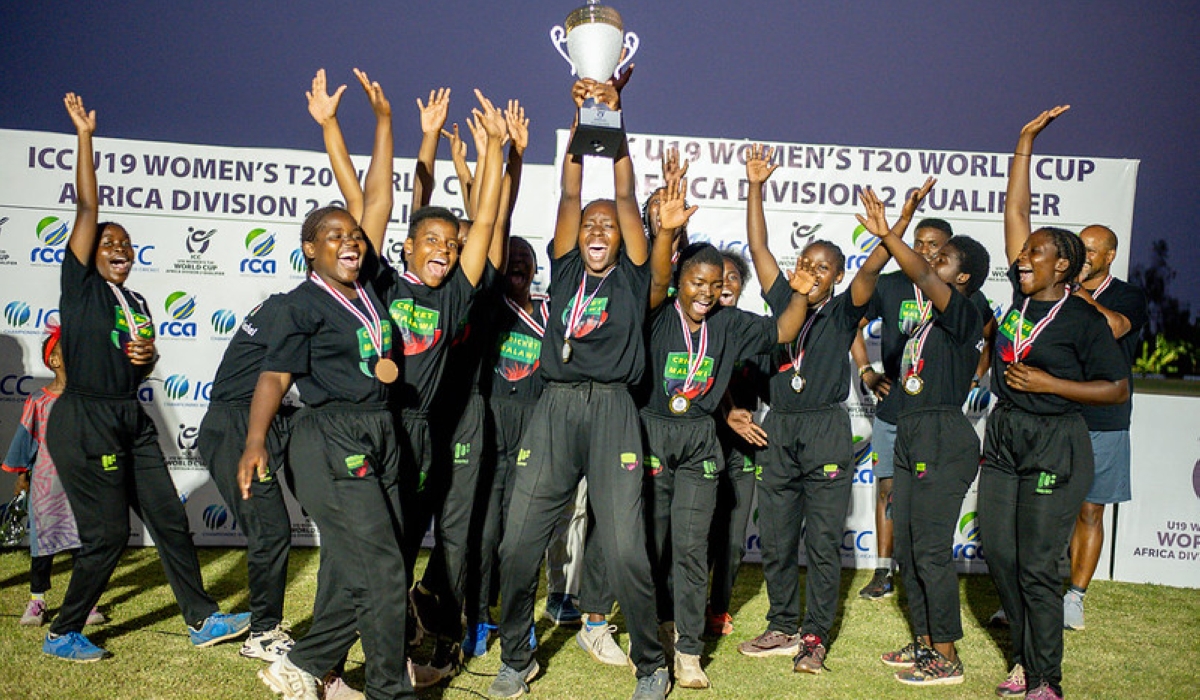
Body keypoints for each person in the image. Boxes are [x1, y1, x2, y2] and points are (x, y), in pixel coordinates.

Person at [43, 93, 249, 663]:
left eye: (126, 247)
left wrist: (147, 356)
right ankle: (63, 630)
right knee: (108, 537)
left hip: (129, 417)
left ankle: (203, 619)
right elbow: (88, 209)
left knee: (168, 519)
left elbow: (142, 361)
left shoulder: (133, 299)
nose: (119, 251)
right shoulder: (80, 285)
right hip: (84, 418)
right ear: (88, 254)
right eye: (109, 244)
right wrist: (85, 137)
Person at [488, 72, 671, 700]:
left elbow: (622, 193)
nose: (597, 231)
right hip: (555, 407)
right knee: (516, 547)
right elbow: (572, 189)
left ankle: (652, 663)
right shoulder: (565, 267)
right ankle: (518, 655)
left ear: (623, 236)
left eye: (609, 227)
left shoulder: (633, 276)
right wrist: (577, 120)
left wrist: (613, 118)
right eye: (590, 226)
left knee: (625, 551)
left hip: (616, 411)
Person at [642, 173, 814, 689]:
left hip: (699, 440)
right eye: (698, 283)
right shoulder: (656, 313)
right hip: (652, 432)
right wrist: (666, 236)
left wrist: (800, 294)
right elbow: (653, 275)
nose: (707, 293)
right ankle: (656, 631)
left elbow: (783, 330)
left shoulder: (731, 324)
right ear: (681, 282)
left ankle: (690, 651)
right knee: (651, 544)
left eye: (716, 286)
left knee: (694, 548)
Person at [981, 105, 1128, 700]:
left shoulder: (1084, 321)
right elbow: (1016, 212)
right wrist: (1023, 142)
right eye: (1023, 253)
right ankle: (1021, 656)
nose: (1022, 258)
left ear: (1061, 265)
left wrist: (1053, 385)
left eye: (1034, 254)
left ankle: (1045, 679)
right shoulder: (1022, 294)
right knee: (999, 553)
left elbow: (1114, 388)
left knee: (1040, 567)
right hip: (1006, 435)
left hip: (1056, 441)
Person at [735, 145, 879, 675]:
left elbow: (869, 278)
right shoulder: (781, 301)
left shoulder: (844, 311)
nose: (812, 272)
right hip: (781, 429)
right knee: (775, 538)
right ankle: (781, 623)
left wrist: (886, 236)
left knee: (820, 542)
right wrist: (755, 186)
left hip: (825, 428)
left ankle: (814, 636)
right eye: (807, 263)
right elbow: (758, 244)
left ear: (836, 278)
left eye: (824, 268)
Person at [855, 188, 991, 686]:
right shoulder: (930, 321)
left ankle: (947, 657)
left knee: (931, 551)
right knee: (909, 549)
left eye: (946, 257)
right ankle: (924, 642)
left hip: (941, 434)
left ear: (964, 277)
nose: (935, 259)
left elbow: (924, 275)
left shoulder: (963, 313)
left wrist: (890, 233)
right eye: (933, 252)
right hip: (912, 429)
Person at [1063, 224, 1148, 631]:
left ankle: (1075, 598)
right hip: (1056, 412)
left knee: (1090, 510)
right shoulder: (1055, 291)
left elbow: (1114, 328)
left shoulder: (1128, 295)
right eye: (1079, 248)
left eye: (1092, 250)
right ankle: (1030, 595)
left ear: (1110, 255)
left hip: (1104, 417)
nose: (1084, 255)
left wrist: (1078, 293)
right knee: (1043, 511)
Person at [3, 324, 105, 629]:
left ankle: (85, 603)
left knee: (82, 546)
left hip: (81, 487)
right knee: (42, 546)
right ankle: (37, 601)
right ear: (55, 360)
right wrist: (22, 475)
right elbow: (25, 440)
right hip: (46, 488)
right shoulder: (38, 401)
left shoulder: (88, 400)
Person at [705, 250, 769, 639]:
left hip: (742, 444)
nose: (726, 284)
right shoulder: (693, 327)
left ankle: (719, 609)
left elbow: (769, 385)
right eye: (719, 277)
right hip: (702, 439)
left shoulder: (752, 331)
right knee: (696, 535)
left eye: (733, 278)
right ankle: (685, 608)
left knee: (731, 540)